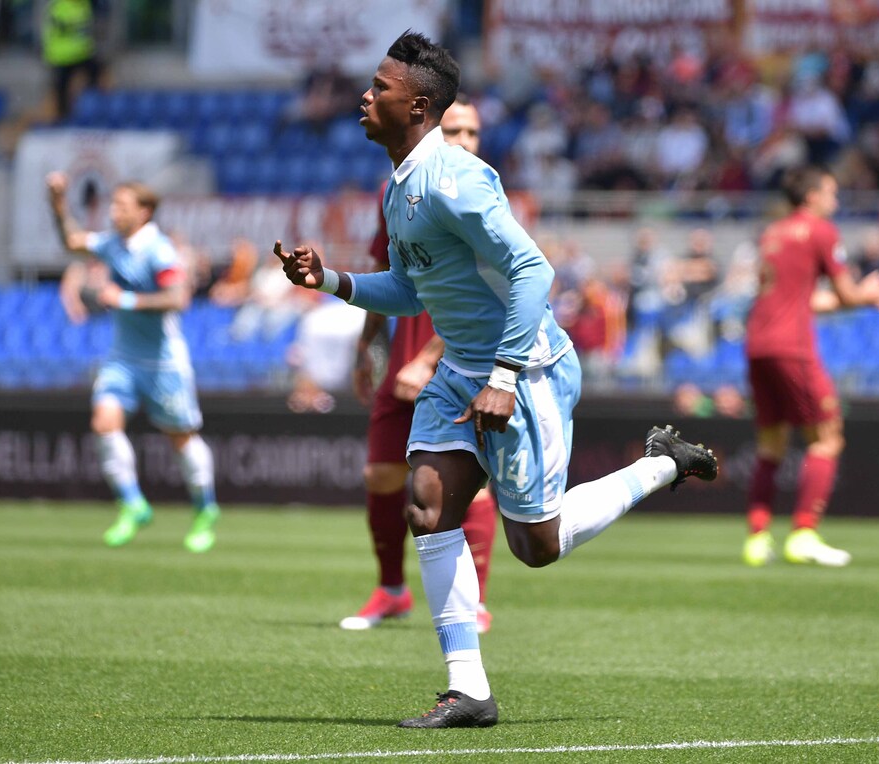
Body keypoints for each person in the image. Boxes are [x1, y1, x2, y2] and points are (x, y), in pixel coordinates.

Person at [273, 31, 717, 729]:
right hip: (461, 371)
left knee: (535, 547)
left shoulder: (455, 179)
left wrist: (505, 376)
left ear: (417, 106)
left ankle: (661, 464)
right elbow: (414, 292)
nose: (365, 96)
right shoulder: (401, 184)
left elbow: (534, 270)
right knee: (427, 504)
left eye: (380, 88)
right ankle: (468, 691)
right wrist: (328, 279)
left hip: (526, 370)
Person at [343, 94, 500, 634]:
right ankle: (391, 590)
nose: (464, 141)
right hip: (402, 360)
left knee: (469, 482)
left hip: (462, 362)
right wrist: (368, 345)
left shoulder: (479, 193)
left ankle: (475, 602)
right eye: (454, 131)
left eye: (472, 132)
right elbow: (387, 272)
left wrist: (429, 358)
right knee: (381, 474)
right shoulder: (398, 187)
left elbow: (487, 290)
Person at [46, 171, 220, 552]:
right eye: (113, 204)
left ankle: (205, 510)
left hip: (163, 362)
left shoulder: (159, 250)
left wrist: (123, 299)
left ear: (144, 212)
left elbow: (178, 299)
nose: (114, 211)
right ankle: (132, 504)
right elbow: (72, 240)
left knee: (180, 438)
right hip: (122, 358)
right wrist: (57, 202)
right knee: (103, 422)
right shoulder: (112, 243)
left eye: (122, 206)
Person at [742, 165, 879, 568]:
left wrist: (853, 298)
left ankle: (757, 539)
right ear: (812, 196)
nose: (836, 199)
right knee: (827, 437)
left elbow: (794, 299)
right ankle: (804, 534)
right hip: (792, 347)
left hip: (757, 343)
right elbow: (846, 295)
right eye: (831, 192)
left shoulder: (773, 233)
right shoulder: (821, 231)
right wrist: (868, 294)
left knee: (771, 444)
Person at [40, 0, 102, 121]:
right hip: (62, 56)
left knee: (95, 75)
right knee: (61, 90)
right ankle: (63, 117)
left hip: (81, 53)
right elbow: (63, 27)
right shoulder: (59, 6)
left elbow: (88, 27)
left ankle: (88, 106)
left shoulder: (85, 4)